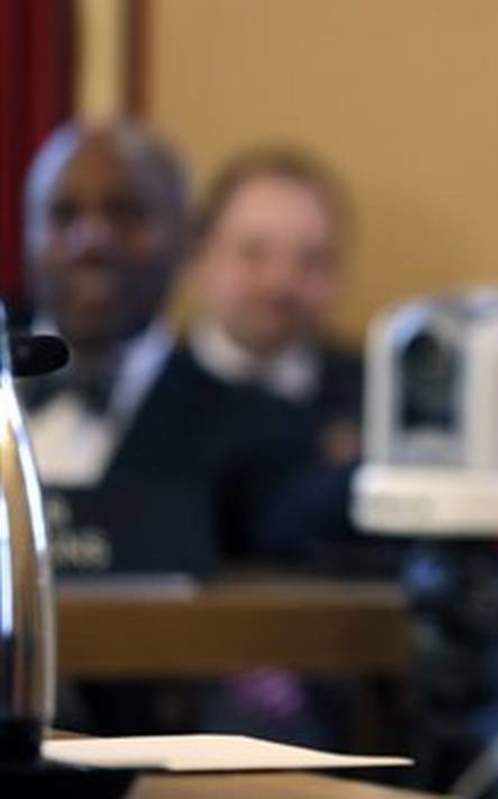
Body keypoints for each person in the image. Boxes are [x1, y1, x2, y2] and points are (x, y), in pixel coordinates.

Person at [20, 121, 312, 575]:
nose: (91, 241)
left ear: (187, 240)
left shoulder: (258, 432)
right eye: (63, 215)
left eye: (125, 214)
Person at [187, 148, 362, 467]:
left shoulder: (375, 400)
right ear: (200, 258)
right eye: (253, 253)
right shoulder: (138, 390)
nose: (279, 283)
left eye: (310, 260)